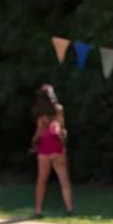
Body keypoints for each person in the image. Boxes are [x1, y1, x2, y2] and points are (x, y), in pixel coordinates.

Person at [31, 85, 73, 216]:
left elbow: (39, 133)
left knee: (41, 181)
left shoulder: (40, 112)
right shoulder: (59, 110)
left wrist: (33, 143)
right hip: (57, 147)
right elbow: (61, 128)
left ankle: (38, 210)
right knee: (64, 181)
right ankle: (69, 208)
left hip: (44, 148)